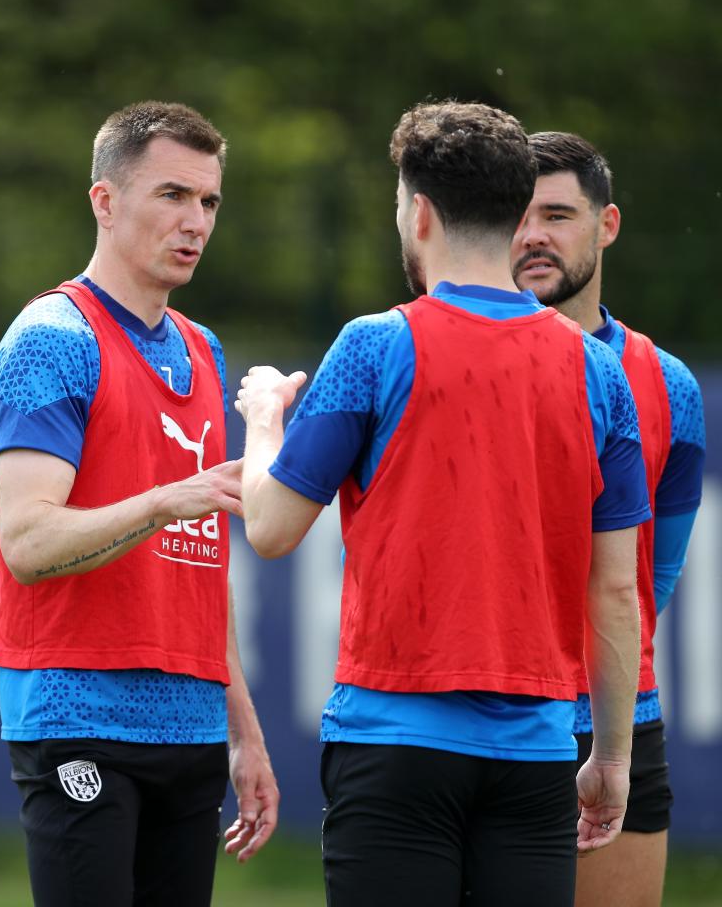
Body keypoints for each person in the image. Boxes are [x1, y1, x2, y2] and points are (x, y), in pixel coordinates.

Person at [233, 101, 648, 907]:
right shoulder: (600, 375)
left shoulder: (375, 344)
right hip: (534, 753)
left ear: (418, 213)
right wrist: (614, 759)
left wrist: (260, 424)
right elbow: (617, 589)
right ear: (515, 212)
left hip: (393, 744)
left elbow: (272, 527)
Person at [0, 101, 278, 906]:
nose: (195, 222)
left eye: (208, 202)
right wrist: (164, 501)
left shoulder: (200, 348)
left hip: (193, 726)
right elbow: (28, 543)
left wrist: (243, 730)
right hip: (80, 715)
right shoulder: (53, 338)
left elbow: (203, 569)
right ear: (104, 201)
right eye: (172, 195)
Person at [512, 131, 706, 907]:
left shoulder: (668, 384)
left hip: (621, 717)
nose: (532, 235)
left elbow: (652, 576)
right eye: (517, 215)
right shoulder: (448, 353)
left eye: (557, 214)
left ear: (608, 224)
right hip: (488, 718)